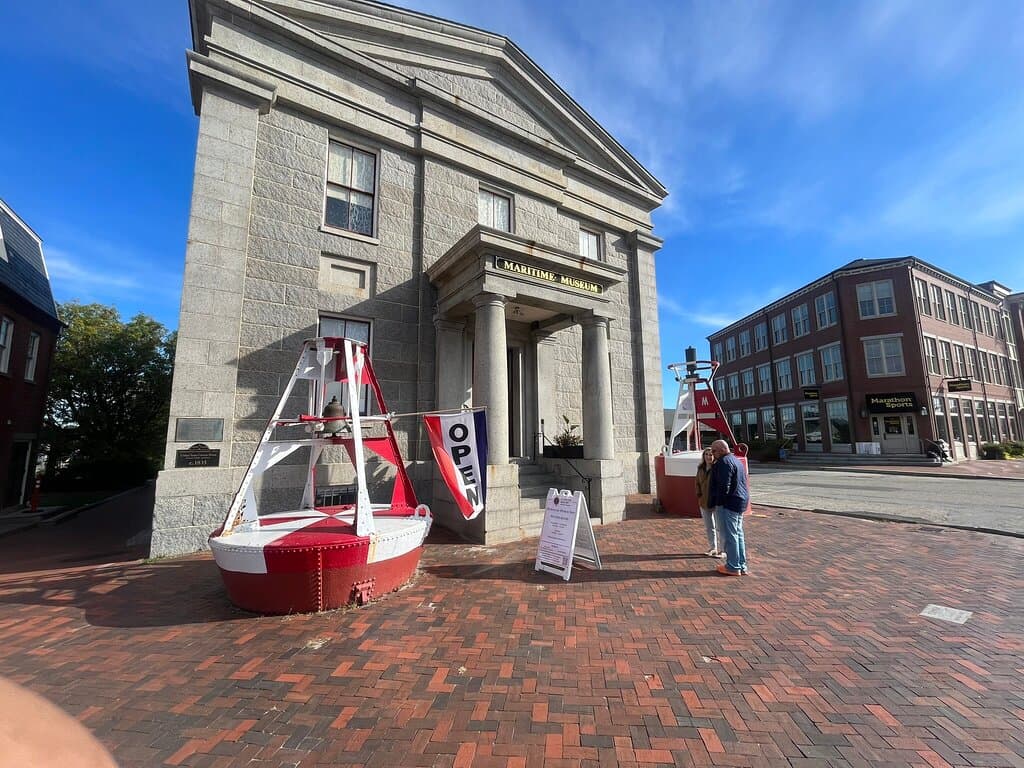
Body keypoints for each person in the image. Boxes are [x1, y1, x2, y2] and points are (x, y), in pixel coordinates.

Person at [708, 439, 750, 576]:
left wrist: (717, 502)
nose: (712, 454)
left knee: (729, 535)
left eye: (714, 451)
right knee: (738, 534)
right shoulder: (735, 460)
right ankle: (741, 564)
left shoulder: (724, 463)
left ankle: (732, 566)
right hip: (739, 501)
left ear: (721, 449)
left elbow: (723, 486)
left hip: (729, 503)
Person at [694, 448, 724, 558]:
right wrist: (699, 494)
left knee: (720, 526)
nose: (708, 457)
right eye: (706, 454)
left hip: (716, 502)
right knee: (709, 526)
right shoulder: (700, 468)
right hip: (704, 501)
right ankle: (713, 548)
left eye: (711, 454)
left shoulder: (717, 468)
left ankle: (723, 550)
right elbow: (697, 482)